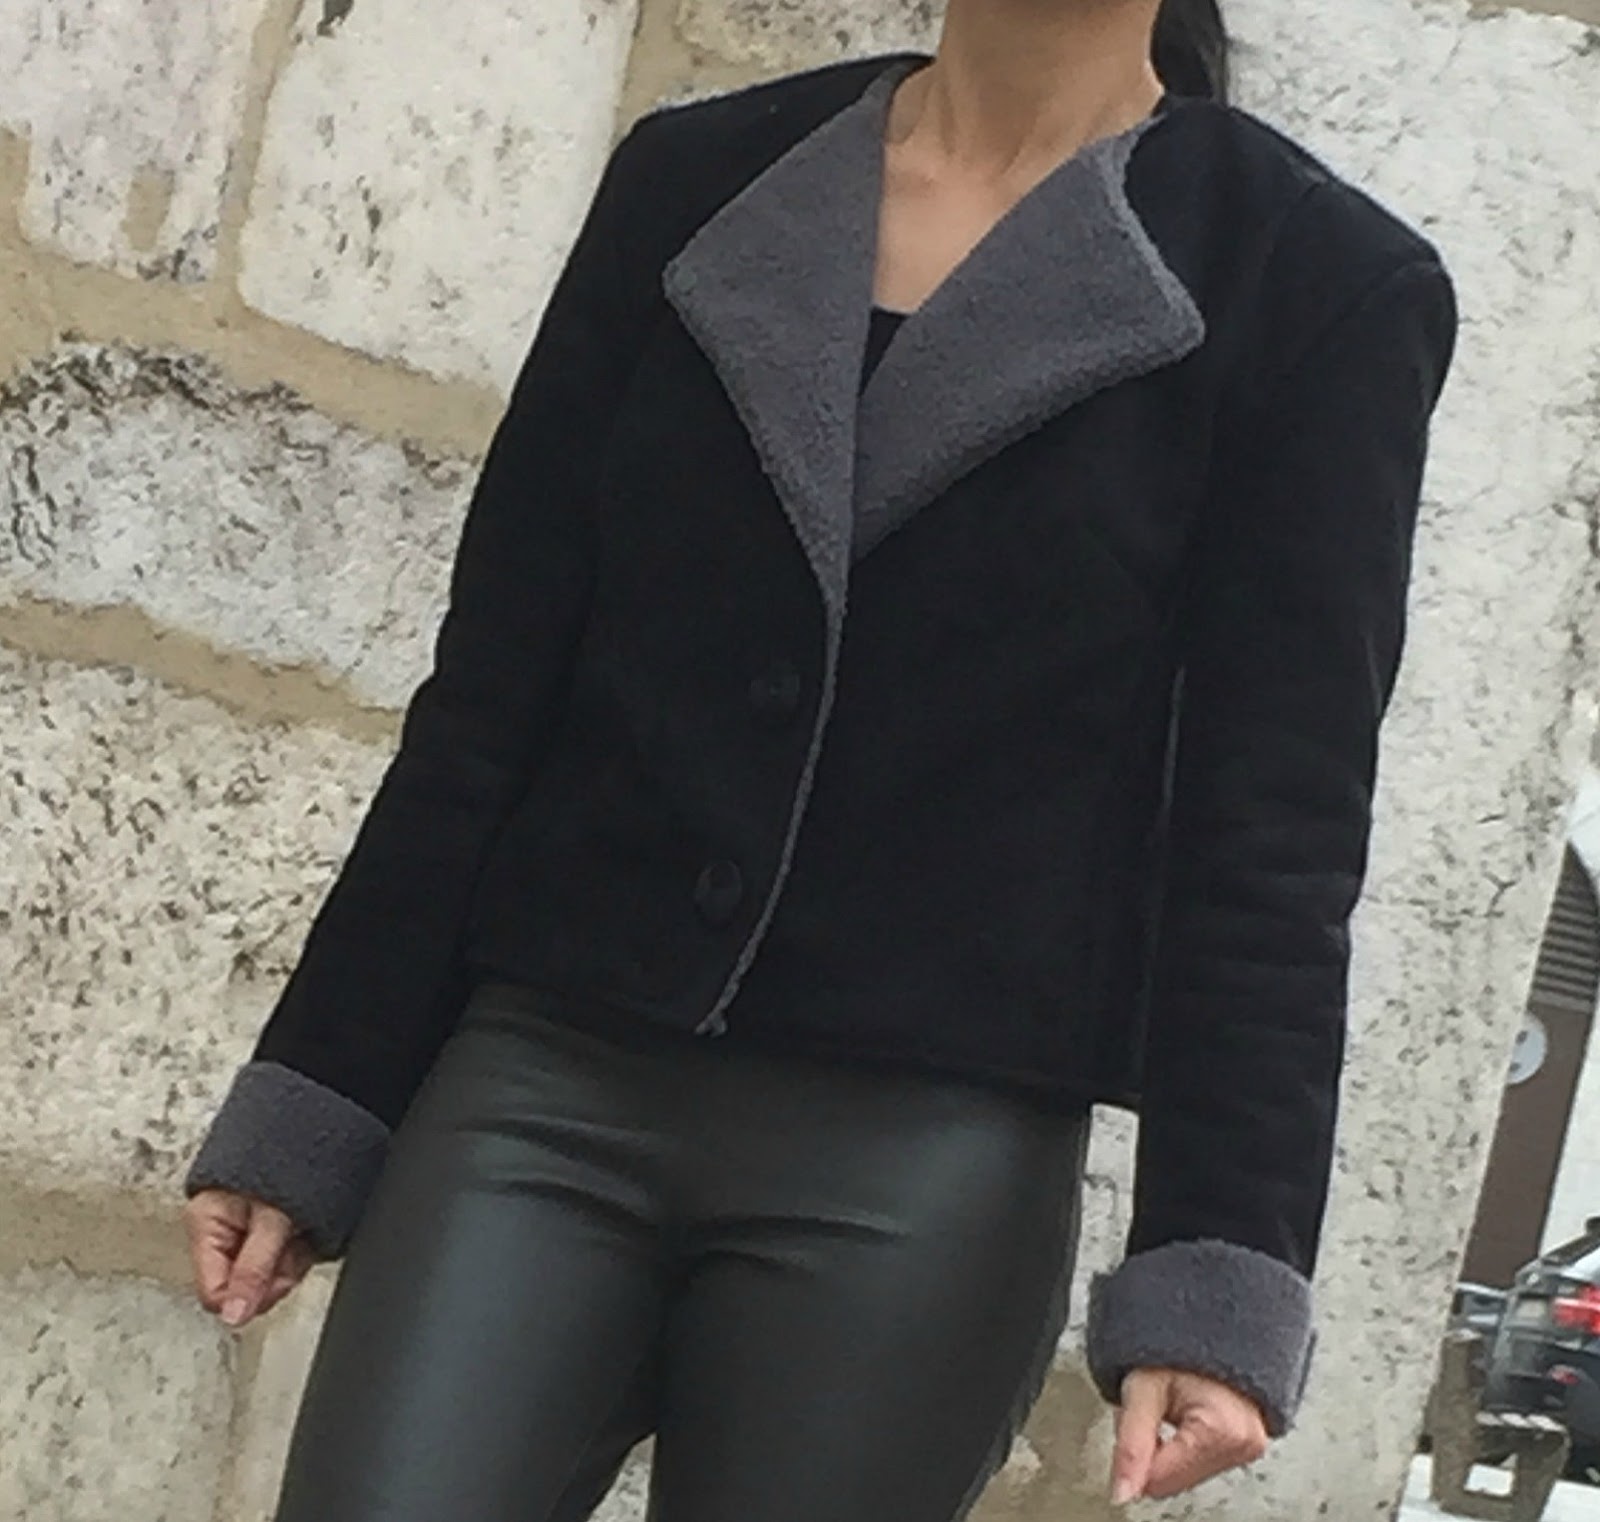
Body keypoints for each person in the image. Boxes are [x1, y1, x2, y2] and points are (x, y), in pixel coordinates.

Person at [179, 0, 1459, 1516]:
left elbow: (1276, 823)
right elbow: (496, 686)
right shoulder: (694, 182)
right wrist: (323, 1082)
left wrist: (1220, 1258)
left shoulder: (1317, 283)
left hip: (921, 1165)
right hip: (542, 1083)